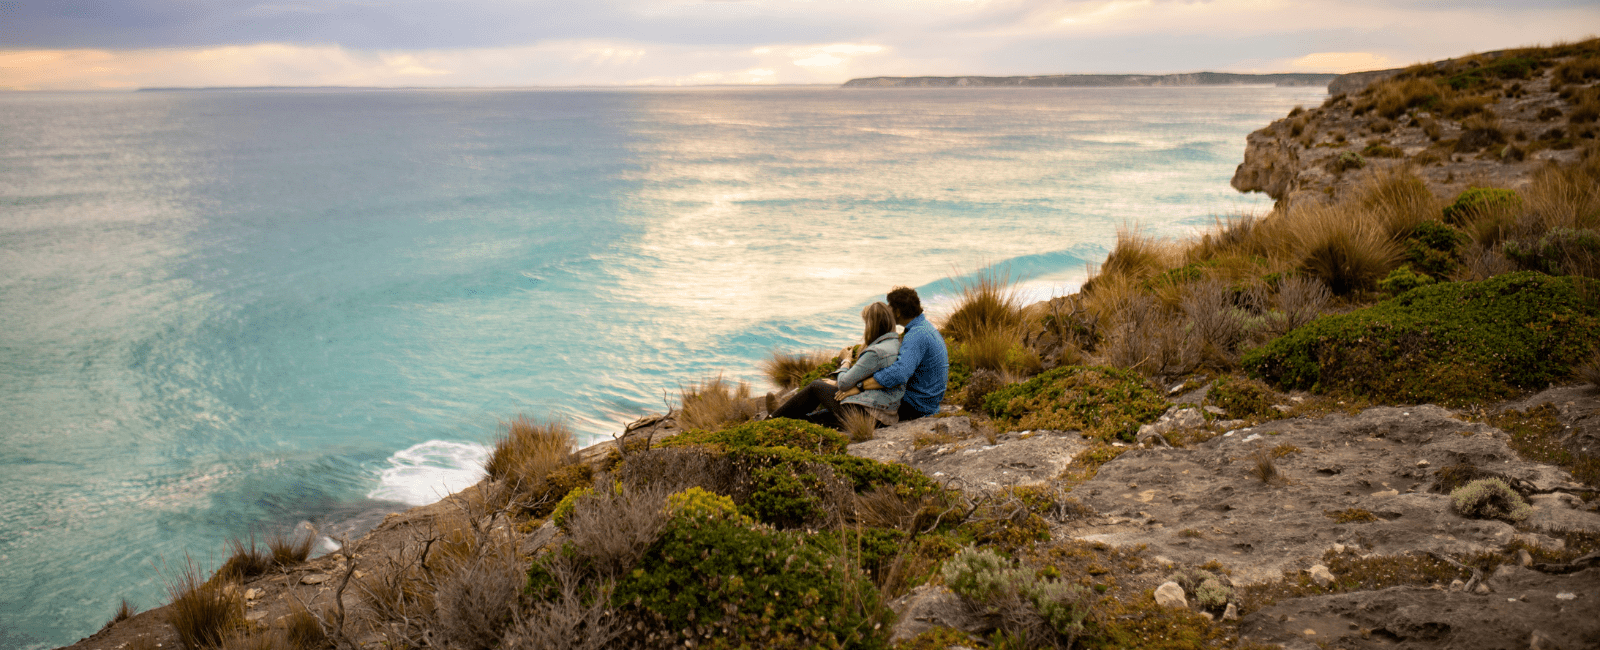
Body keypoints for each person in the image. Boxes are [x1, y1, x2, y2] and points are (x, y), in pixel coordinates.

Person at [768, 302, 906, 429]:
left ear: (872, 325)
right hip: (885, 415)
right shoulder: (895, 344)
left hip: (870, 414)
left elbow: (844, 384)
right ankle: (781, 416)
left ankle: (770, 420)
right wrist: (837, 383)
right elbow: (874, 378)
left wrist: (845, 361)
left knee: (816, 387)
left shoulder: (875, 352)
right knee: (817, 418)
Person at [852, 286, 948, 422]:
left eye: (890, 306)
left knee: (851, 398)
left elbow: (899, 373)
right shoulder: (924, 328)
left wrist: (860, 385)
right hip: (927, 402)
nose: (888, 308)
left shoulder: (916, 335)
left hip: (916, 406)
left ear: (897, 312)